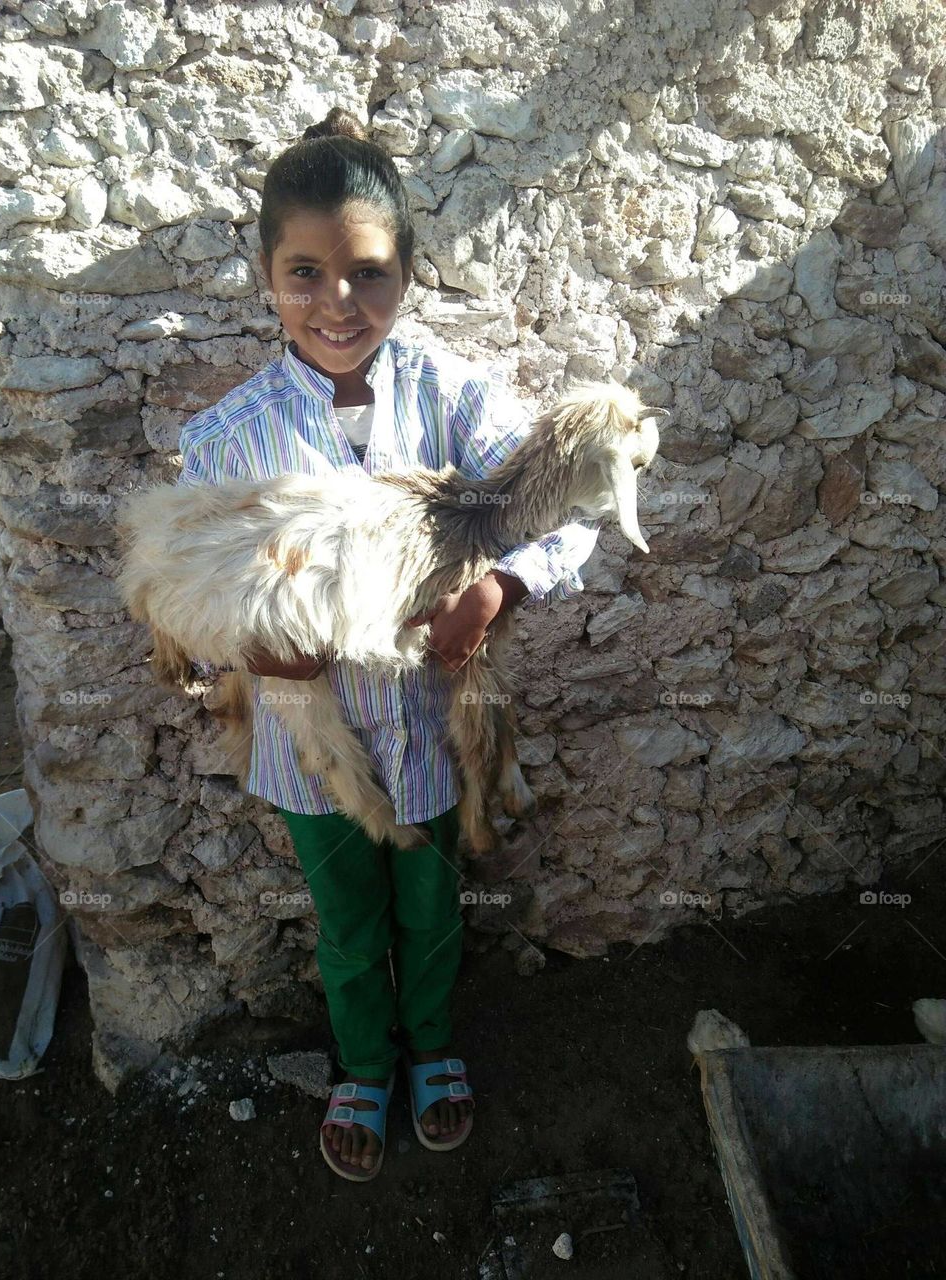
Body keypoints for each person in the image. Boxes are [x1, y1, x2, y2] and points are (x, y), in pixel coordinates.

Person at [175, 106, 601, 1181]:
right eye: (306, 272)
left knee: (434, 902)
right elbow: (188, 593)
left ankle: (432, 1045)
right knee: (349, 917)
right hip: (308, 749)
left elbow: (569, 498)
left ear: (408, 269)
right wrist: (252, 648)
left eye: (369, 272)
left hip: (428, 725)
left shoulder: (453, 398)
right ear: (266, 273)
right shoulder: (226, 438)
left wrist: (497, 585)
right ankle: (363, 1059)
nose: (339, 303)